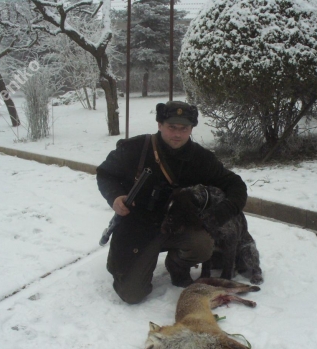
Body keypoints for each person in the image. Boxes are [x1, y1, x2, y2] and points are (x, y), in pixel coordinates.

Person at [96, 101, 247, 304]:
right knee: (132, 294)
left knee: (202, 244)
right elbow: (105, 173)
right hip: (138, 227)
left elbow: (236, 185)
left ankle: (177, 263)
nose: (177, 134)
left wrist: (221, 213)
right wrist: (114, 196)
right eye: (171, 127)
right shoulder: (136, 148)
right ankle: (126, 262)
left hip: (177, 226)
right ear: (160, 125)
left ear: (191, 129)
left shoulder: (200, 158)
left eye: (184, 129)